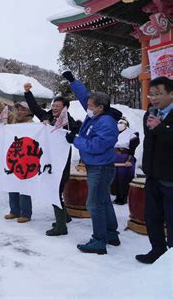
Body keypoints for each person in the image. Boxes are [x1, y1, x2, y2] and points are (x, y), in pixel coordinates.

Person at [62, 70, 121, 255]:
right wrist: (73, 81)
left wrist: (75, 140)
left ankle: (99, 241)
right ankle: (111, 233)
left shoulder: (106, 123)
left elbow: (96, 145)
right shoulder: (96, 114)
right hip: (97, 165)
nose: (87, 107)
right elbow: (85, 96)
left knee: (94, 203)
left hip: (100, 167)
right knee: (103, 200)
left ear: (100, 107)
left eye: (90, 106)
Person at [23, 82, 79, 235]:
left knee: (55, 192)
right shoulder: (47, 115)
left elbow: (74, 132)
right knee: (56, 191)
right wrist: (28, 93)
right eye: (54, 105)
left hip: (60, 166)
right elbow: (35, 109)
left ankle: (61, 227)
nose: (54, 108)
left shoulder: (69, 122)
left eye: (58, 106)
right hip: (48, 163)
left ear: (65, 108)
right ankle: (65, 218)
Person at [136, 76, 173, 264]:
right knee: (153, 218)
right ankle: (157, 251)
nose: (154, 98)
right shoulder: (149, 113)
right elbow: (150, 140)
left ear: (171, 93)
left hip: (170, 179)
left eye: (158, 93)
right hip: (152, 176)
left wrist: (161, 128)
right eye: (151, 94)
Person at [0, 96, 34, 223]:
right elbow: (4, 111)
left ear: (28, 112)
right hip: (13, 159)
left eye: (22, 110)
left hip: (26, 161)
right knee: (12, 185)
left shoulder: (33, 125)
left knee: (24, 187)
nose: (19, 112)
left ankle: (26, 213)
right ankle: (14, 211)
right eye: (18, 109)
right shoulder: (13, 119)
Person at [112, 117, 139, 205]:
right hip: (114, 157)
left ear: (126, 124)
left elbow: (132, 148)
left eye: (122, 122)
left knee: (123, 178)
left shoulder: (131, 134)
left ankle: (123, 197)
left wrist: (129, 160)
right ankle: (117, 196)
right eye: (119, 122)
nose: (120, 124)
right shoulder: (113, 132)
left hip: (125, 158)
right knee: (115, 178)